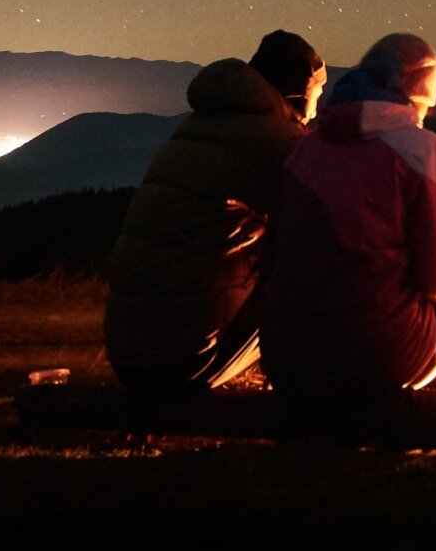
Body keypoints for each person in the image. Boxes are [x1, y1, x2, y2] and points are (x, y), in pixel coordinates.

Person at [261, 32, 436, 399]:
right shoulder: (423, 150)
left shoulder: (303, 151)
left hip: (287, 361)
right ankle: (435, 390)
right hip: (377, 363)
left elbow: (275, 257)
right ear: (420, 95)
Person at [101, 29, 326, 392]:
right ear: (300, 91)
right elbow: (334, 217)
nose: (318, 106)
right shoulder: (280, 142)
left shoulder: (196, 128)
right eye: (318, 93)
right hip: (180, 363)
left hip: (129, 355)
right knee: (326, 263)